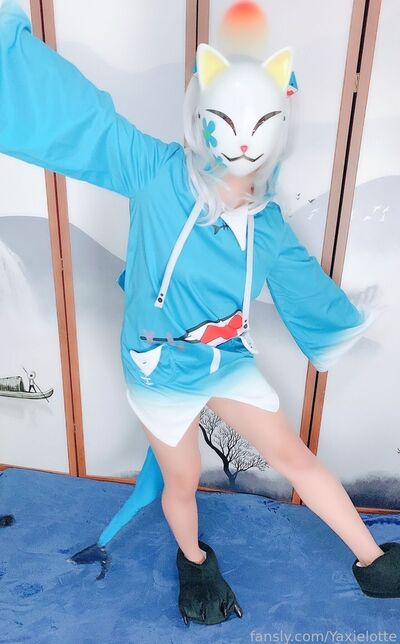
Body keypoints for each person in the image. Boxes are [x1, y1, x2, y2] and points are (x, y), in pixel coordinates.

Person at [1, 0, 399, 627]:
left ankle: (374, 562)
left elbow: (307, 290)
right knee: (182, 480)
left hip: (224, 358)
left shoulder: (267, 224)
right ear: (204, 116)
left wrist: (348, 320)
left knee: (293, 455)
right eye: (230, 120)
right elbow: (85, 122)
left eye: (259, 122)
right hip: (158, 368)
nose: (242, 139)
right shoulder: (155, 172)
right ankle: (194, 561)